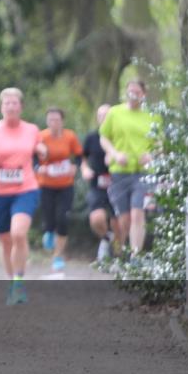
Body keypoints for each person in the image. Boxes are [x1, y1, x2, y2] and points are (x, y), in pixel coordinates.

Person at [0, 88, 45, 305]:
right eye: (7, 103)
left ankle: (18, 281)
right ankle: (11, 282)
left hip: (25, 188)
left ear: (21, 107)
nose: (11, 107)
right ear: (1, 107)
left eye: (15, 103)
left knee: (18, 234)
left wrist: (43, 152)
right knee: (5, 240)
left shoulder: (32, 130)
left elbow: (39, 153)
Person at [99, 80, 161, 256]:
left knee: (137, 213)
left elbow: (160, 143)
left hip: (143, 173)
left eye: (137, 92)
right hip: (120, 172)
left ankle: (135, 256)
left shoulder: (153, 116)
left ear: (144, 95)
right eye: (130, 91)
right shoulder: (114, 113)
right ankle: (119, 249)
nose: (133, 95)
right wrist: (115, 154)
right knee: (124, 219)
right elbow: (104, 138)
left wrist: (152, 156)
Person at [36, 107, 82, 273]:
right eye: (50, 120)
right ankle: (48, 231)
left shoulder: (69, 136)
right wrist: (37, 167)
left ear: (62, 121)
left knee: (62, 218)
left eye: (56, 119)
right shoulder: (41, 136)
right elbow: (33, 156)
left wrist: (75, 166)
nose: (53, 123)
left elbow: (78, 154)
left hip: (65, 184)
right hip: (46, 184)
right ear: (47, 121)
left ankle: (58, 256)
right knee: (49, 217)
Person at [81, 104, 119, 261]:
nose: (103, 118)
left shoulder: (120, 136)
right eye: (100, 116)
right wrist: (84, 169)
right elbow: (81, 157)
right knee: (96, 218)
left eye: (107, 115)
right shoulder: (91, 137)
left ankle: (118, 257)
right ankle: (105, 239)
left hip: (118, 185)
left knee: (119, 223)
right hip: (98, 185)